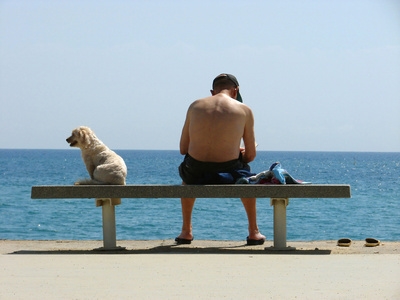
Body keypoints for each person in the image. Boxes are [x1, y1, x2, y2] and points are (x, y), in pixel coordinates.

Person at [175, 73, 266, 245]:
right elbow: (250, 156)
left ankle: (186, 231)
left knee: (186, 183)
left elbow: (183, 149)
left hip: (194, 173)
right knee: (247, 181)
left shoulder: (194, 106)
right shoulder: (244, 109)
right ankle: (254, 232)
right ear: (235, 91)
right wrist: (238, 152)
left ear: (212, 92)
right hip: (229, 172)